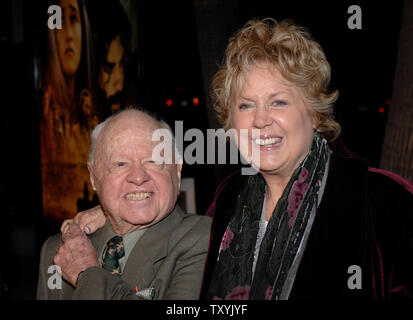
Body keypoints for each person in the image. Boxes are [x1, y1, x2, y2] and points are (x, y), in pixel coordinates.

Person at [65, 18, 413, 300]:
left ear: (314, 112)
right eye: (246, 105)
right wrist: (115, 210)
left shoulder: (382, 201)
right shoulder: (230, 197)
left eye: (278, 102)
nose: (260, 120)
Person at [37, 108, 211, 299]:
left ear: (177, 172)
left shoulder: (204, 239)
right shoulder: (57, 250)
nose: (138, 177)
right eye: (120, 164)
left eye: (152, 161)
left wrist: (86, 274)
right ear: (94, 177)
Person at [42, 0, 98, 221]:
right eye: (59, 20)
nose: (67, 34)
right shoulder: (47, 118)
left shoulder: (95, 117)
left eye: (73, 19)